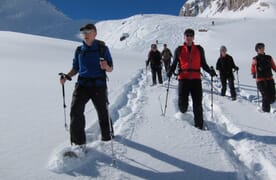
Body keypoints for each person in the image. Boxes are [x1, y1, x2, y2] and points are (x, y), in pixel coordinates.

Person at [60, 23, 114, 146]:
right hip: (82, 85)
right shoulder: (79, 50)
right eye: (83, 32)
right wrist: (67, 76)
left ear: (95, 33)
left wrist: (106, 67)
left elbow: (111, 68)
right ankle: (78, 143)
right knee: (75, 111)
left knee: (102, 112)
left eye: (88, 31)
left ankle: (107, 137)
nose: (85, 34)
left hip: (98, 85)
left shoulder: (102, 49)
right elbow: (75, 68)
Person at [167, 28, 217, 130]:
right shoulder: (179, 50)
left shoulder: (199, 49)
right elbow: (174, 64)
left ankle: (199, 126)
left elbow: (203, 64)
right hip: (183, 79)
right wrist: (170, 71)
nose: (189, 37)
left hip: (196, 80)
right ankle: (183, 113)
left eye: (191, 35)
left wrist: (210, 71)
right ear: (184, 37)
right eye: (187, 35)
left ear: (193, 37)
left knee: (197, 104)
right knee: (183, 104)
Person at [251, 42, 276, 112]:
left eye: (263, 47)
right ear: (257, 50)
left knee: (272, 96)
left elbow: (274, 66)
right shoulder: (255, 59)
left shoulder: (269, 57)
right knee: (266, 96)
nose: (262, 49)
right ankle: (266, 112)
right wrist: (254, 73)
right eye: (260, 48)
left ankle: (272, 107)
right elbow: (253, 68)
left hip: (270, 79)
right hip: (260, 80)